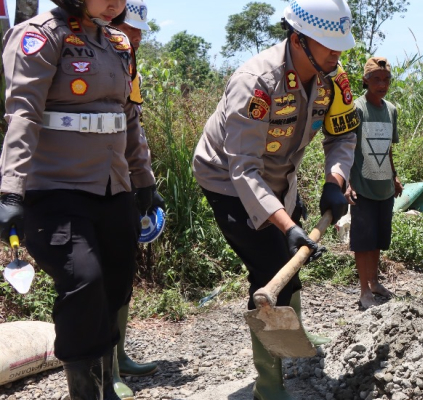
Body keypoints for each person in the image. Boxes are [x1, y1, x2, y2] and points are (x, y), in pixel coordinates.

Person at [191, 0, 356, 398]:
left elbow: (343, 136)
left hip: (281, 177)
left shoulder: (334, 78)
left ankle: (291, 339)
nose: (337, 53)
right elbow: (243, 169)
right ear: (298, 40)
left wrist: (336, 178)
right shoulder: (256, 82)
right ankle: (269, 384)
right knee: (269, 270)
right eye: (328, 45)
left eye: (340, 45)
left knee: (290, 267)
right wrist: (289, 226)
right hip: (229, 182)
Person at [0, 0, 157, 398]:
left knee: (117, 285)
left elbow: (130, 118)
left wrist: (144, 181)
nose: (116, 5)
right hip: (55, 189)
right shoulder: (40, 36)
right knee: (83, 282)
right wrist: (10, 190)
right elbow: (23, 114)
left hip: (113, 186)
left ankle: (106, 387)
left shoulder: (119, 44)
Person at [109, 1, 159, 398]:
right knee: (102, 277)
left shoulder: (128, 63)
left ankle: (119, 355)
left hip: (124, 182)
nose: (137, 36)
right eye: (131, 27)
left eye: (140, 30)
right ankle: (105, 369)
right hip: (93, 184)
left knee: (122, 272)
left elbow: (133, 127)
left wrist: (145, 183)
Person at [344, 56, 402, 310]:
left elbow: (388, 148)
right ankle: (364, 291)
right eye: (376, 79)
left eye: (386, 80)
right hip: (362, 186)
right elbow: (345, 147)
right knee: (363, 241)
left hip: (384, 186)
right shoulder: (356, 109)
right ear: (365, 80)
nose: (382, 84)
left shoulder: (391, 110)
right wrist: (347, 182)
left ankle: (375, 282)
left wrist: (395, 175)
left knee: (378, 239)